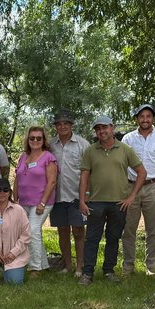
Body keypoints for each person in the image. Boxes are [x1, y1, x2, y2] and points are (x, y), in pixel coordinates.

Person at [78, 115, 145, 285]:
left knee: (113, 237)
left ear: (112, 128)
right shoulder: (91, 151)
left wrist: (131, 196)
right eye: (98, 129)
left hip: (119, 203)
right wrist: (82, 200)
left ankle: (109, 271)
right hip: (95, 202)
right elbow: (84, 176)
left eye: (104, 127)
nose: (101, 131)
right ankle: (87, 273)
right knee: (92, 238)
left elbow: (142, 172)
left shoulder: (124, 149)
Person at [120, 103, 155, 276]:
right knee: (129, 228)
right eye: (141, 116)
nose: (145, 119)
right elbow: (123, 163)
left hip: (152, 186)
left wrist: (153, 178)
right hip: (131, 187)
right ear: (137, 119)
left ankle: (150, 267)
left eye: (148, 116)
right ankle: (128, 266)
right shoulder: (128, 139)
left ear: (153, 118)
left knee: (152, 229)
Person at [12, 126, 58, 274]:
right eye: (32, 138)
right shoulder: (23, 156)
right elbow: (17, 179)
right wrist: (15, 200)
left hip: (42, 202)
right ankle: (43, 264)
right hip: (24, 202)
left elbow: (52, 182)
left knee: (32, 231)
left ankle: (35, 268)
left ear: (44, 140)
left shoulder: (48, 157)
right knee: (30, 231)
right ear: (28, 140)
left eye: (39, 138)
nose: (35, 141)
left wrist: (42, 203)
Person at [48, 110, 87, 276]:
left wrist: (87, 194)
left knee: (78, 231)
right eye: (59, 123)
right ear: (56, 127)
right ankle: (67, 265)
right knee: (62, 231)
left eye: (66, 123)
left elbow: (88, 171)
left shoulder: (82, 145)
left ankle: (80, 266)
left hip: (76, 195)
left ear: (72, 125)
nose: (62, 126)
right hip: (56, 196)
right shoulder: (50, 145)